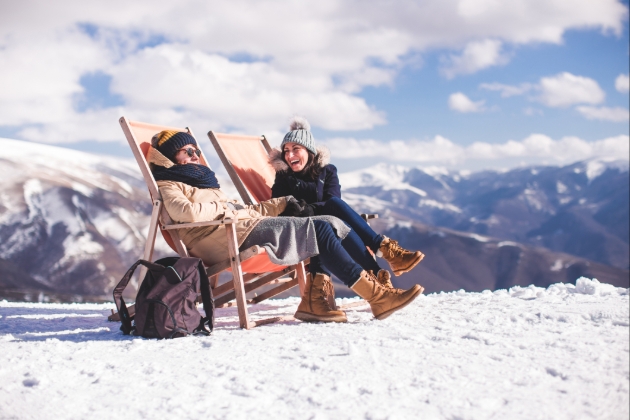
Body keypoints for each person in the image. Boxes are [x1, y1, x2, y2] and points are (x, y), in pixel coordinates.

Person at [147, 130, 423, 323]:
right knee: (319, 229)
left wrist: (283, 203)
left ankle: (372, 291)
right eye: (188, 151)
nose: (196, 155)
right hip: (223, 238)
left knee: (330, 221)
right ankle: (376, 296)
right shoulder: (169, 184)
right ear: (171, 157)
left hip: (243, 226)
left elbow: (245, 209)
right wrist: (227, 210)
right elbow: (187, 212)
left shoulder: (204, 183)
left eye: (196, 150)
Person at [269, 117, 425, 299]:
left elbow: (334, 200)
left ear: (309, 150)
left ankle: (378, 275)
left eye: (296, 149)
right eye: (286, 151)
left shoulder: (327, 171)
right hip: (298, 230)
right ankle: (383, 252)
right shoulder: (284, 177)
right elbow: (279, 205)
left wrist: (308, 208)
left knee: (335, 218)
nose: (289, 156)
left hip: (326, 225)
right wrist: (304, 209)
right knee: (333, 219)